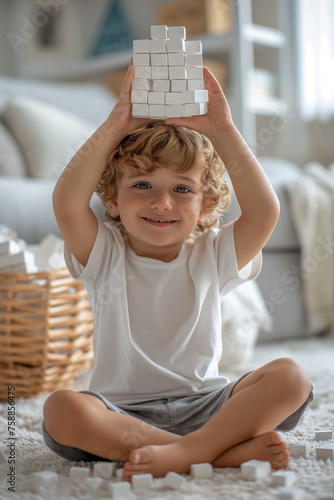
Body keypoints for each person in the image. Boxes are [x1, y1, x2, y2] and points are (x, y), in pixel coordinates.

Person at [42, 62, 313, 481]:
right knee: (62, 409)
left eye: (182, 189)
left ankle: (192, 450)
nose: (162, 203)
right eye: (142, 185)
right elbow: (66, 201)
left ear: (205, 206)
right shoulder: (104, 253)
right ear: (113, 199)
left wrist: (222, 130)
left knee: (291, 377)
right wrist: (117, 123)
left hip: (208, 408)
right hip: (123, 415)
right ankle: (217, 456)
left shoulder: (214, 252)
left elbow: (265, 211)